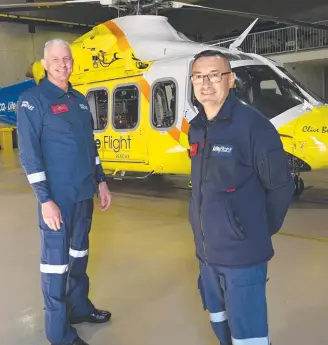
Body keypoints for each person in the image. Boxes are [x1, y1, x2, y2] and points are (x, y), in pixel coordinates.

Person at [188, 49, 295, 345]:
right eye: (198, 77)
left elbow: (280, 186)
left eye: (214, 75)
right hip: (207, 255)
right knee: (219, 321)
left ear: (231, 80)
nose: (205, 83)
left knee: (249, 336)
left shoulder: (254, 126)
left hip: (242, 256)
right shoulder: (196, 128)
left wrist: (252, 229)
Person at [17, 39, 112, 345]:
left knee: (79, 256)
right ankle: (59, 334)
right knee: (55, 266)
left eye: (67, 59)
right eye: (56, 59)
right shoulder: (33, 101)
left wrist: (101, 181)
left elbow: (90, 146)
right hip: (57, 200)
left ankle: (80, 308)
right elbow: (29, 156)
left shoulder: (80, 100)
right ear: (44, 64)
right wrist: (45, 200)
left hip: (84, 195)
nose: (62, 64)